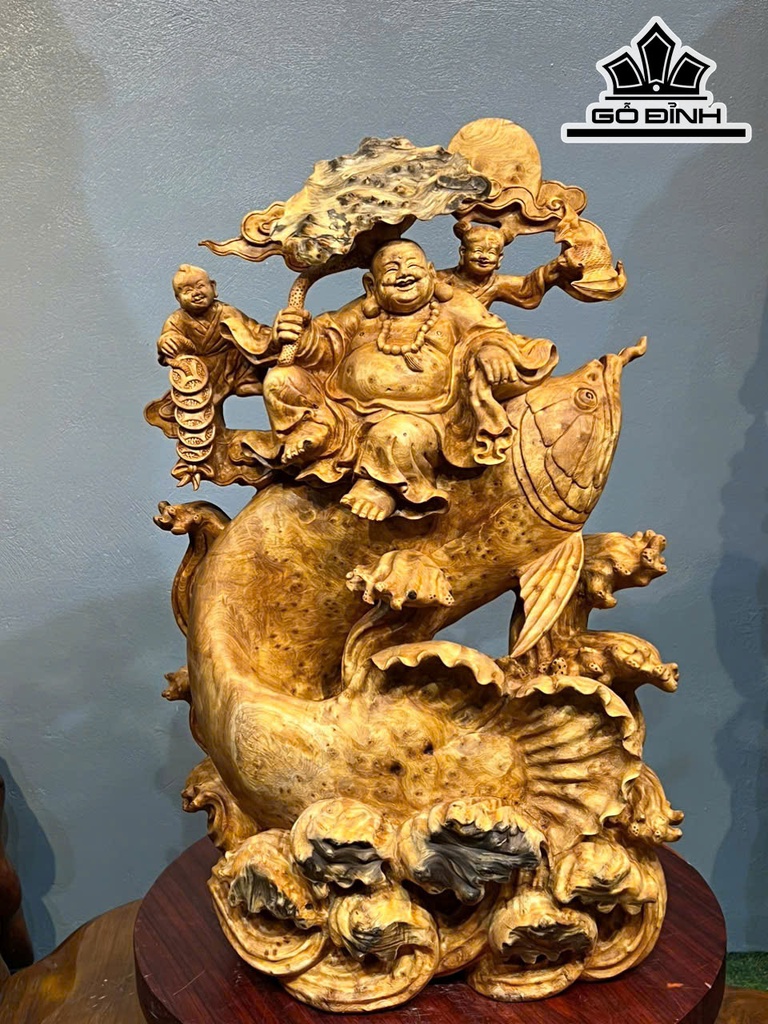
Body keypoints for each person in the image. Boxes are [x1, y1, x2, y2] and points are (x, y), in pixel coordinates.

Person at [253, 240, 558, 520]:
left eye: (412, 266)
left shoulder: (455, 307)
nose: (403, 273)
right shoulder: (361, 313)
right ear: (371, 285)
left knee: (397, 434)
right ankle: (316, 431)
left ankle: (382, 486)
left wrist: (492, 349)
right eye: (391, 269)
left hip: (426, 414)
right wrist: (299, 334)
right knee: (281, 379)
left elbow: (487, 332)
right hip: (342, 411)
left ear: (431, 274)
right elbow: (326, 343)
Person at [438, 223, 582, 310]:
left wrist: (557, 265)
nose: (484, 257)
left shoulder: (496, 284)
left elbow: (527, 286)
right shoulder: (439, 279)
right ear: (463, 252)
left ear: (499, 258)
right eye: (478, 251)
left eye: (491, 253)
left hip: (477, 335)